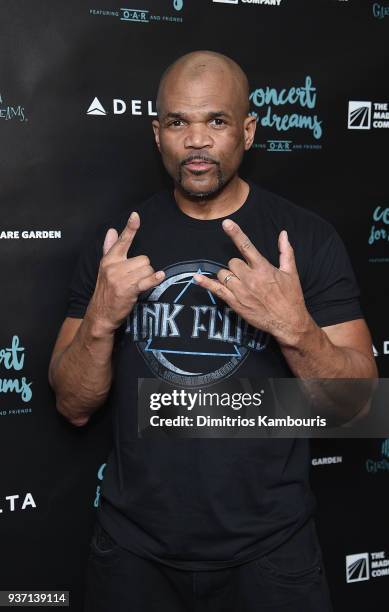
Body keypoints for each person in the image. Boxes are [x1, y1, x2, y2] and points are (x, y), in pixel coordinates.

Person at [48, 50, 377, 611]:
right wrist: (101, 319)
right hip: (134, 554)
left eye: (216, 121)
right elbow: (73, 405)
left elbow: (359, 410)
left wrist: (295, 328)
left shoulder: (303, 240)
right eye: (178, 122)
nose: (196, 141)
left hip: (272, 554)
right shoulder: (117, 245)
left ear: (247, 130)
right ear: (157, 134)